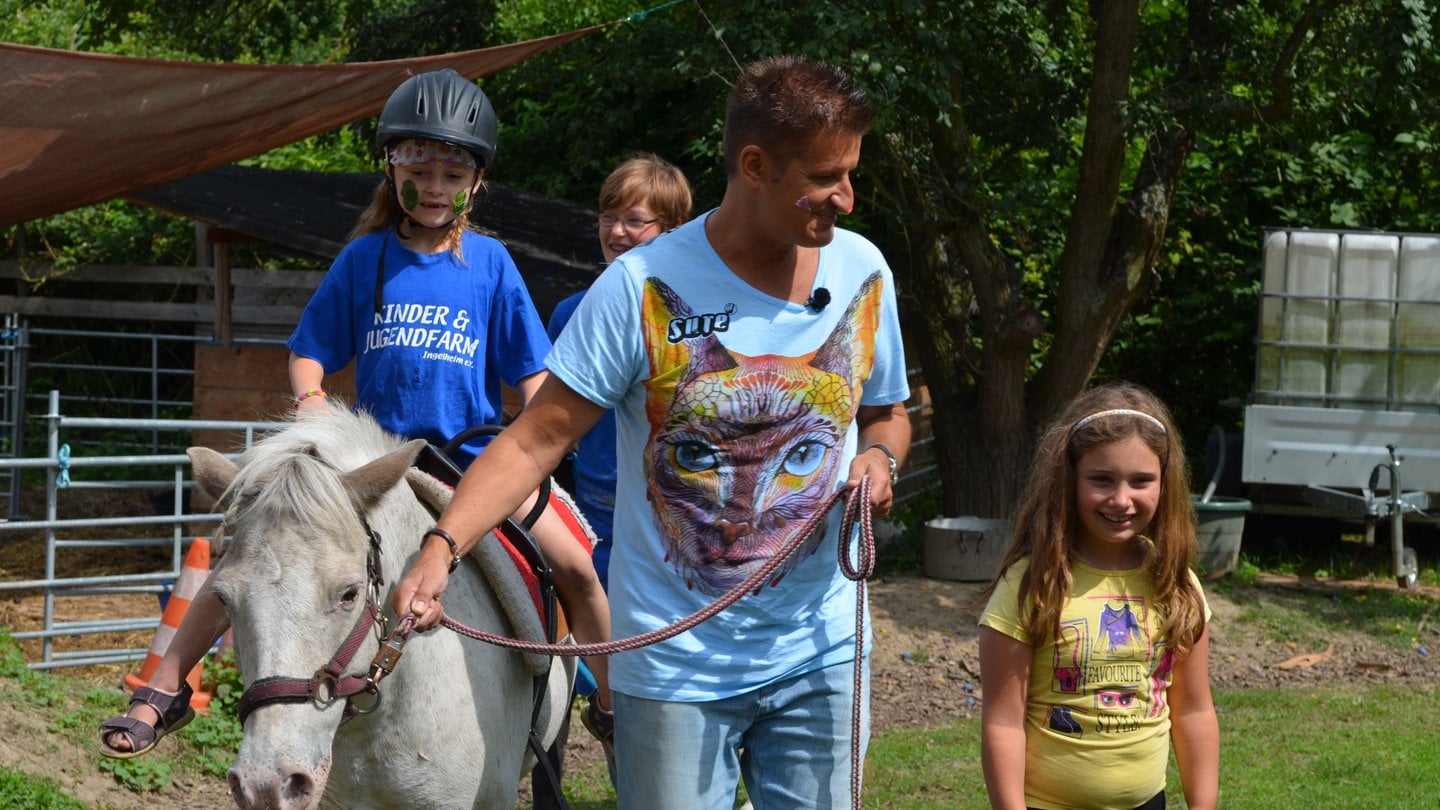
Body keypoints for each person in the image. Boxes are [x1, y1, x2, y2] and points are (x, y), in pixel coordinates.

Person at [390, 55, 911, 809]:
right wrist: (441, 550)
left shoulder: (863, 271)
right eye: (828, 177)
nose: (847, 198)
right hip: (674, 665)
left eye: (850, 173)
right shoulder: (636, 290)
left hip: (821, 650)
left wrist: (877, 456)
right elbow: (538, 439)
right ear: (756, 165)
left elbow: (888, 411)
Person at [100, 68, 613, 759]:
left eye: (452, 172)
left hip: (471, 463)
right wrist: (311, 398)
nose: (434, 187)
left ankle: (612, 707)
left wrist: (537, 434)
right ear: (390, 167)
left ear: (476, 181)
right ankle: (164, 682)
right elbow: (310, 351)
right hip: (372, 465)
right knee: (260, 550)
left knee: (577, 566)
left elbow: (533, 374)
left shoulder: (491, 264)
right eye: (418, 168)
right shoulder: (364, 259)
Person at [976, 383, 1220, 810]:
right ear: (1070, 480)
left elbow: (1193, 712)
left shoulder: (1178, 586)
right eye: (1102, 480)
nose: (1121, 499)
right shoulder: (1031, 585)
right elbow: (1003, 723)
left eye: (1141, 481)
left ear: (1165, 485)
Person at [547, 152, 693, 590]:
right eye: (607, 218)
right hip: (597, 520)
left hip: (676, 522)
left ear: (673, 230)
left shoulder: (701, 322)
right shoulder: (570, 314)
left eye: (634, 220)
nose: (615, 232)